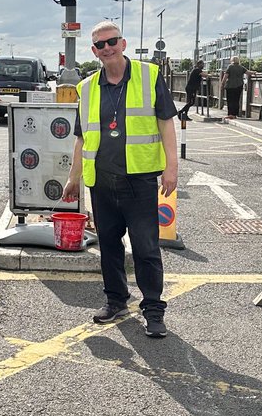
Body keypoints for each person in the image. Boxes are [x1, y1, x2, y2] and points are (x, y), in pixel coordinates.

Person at [62, 20, 178, 338]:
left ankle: (154, 310)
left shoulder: (148, 75)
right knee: (109, 247)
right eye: (100, 44)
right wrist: (72, 178)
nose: (107, 48)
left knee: (146, 248)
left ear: (123, 43)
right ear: (94, 51)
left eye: (112, 41)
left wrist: (172, 167)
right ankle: (116, 300)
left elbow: (166, 122)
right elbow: (81, 138)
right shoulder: (86, 89)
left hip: (138, 181)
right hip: (102, 183)